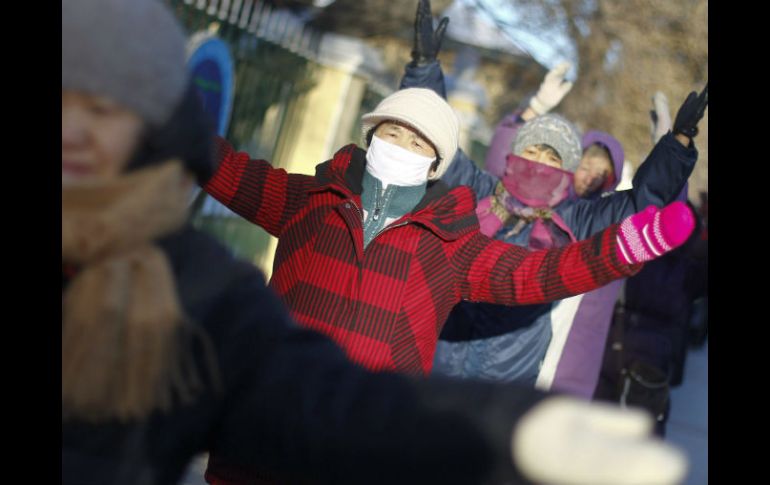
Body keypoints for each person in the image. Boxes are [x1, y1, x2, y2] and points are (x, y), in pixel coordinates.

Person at [61, 1, 693, 485]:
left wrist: (625, 248)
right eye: (392, 130)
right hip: (249, 461)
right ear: (371, 135)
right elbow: (223, 166)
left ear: (437, 161)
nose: (401, 145)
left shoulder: (452, 241)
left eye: (418, 141)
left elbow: (539, 276)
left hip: (358, 453)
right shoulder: (309, 198)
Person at [397, 0, 707, 390]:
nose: (539, 162)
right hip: (438, 357)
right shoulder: (478, 192)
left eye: (551, 156)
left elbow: (638, 206)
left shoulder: (577, 219)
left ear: (565, 169)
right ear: (513, 155)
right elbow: (432, 141)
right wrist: (424, 70)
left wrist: (675, 146)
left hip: (506, 384)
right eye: (532, 151)